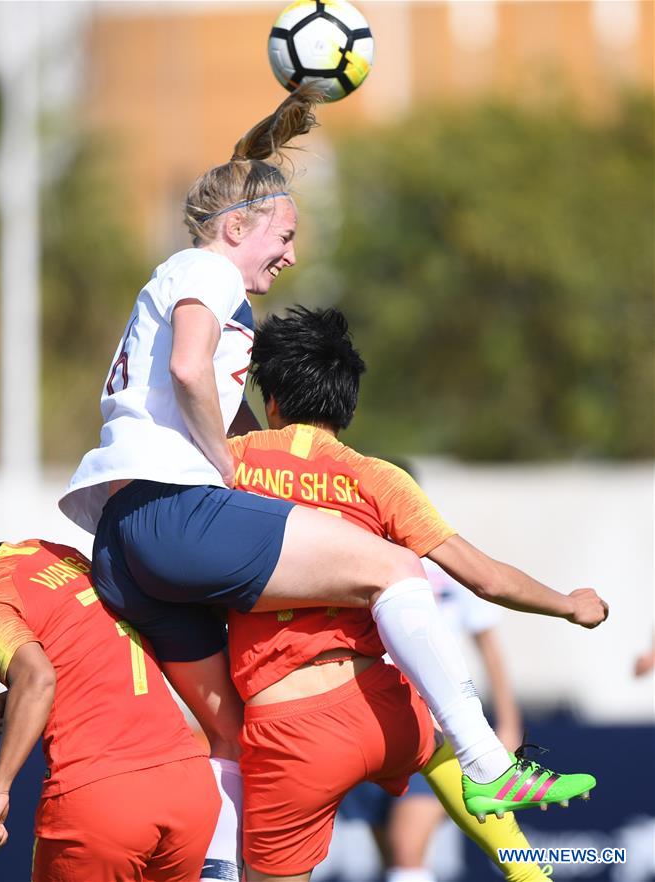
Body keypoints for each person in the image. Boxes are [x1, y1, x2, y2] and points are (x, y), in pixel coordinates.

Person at [58, 84, 607, 836]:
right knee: (392, 568)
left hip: (122, 540)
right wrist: (223, 465)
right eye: (282, 234)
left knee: (225, 736)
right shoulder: (207, 272)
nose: (290, 252)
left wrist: (240, 452)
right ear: (236, 225)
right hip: (171, 511)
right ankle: (486, 765)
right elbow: (190, 372)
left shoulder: (191, 288)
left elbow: (207, 392)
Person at [225, 305, 603, 881]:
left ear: (271, 400)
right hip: (381, 703)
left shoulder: (230, 464)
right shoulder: (379, 479)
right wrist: (569, 604)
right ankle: (531, 868)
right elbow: (487, 578)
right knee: (449, 749)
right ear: (347, 402)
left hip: (290, 722)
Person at [0, 478, 221, 882]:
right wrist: (19, 698)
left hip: (101, 800)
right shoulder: (47, 554)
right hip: (187, 787)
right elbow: (87, 641)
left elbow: (38, 678)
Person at [342, 465, 524, 882]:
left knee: (408, 851)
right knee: (391, 858)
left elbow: (491, 647)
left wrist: (509, 723)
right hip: (375, 727)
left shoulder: (447, 565)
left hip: (439, 731)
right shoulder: (352, 565)